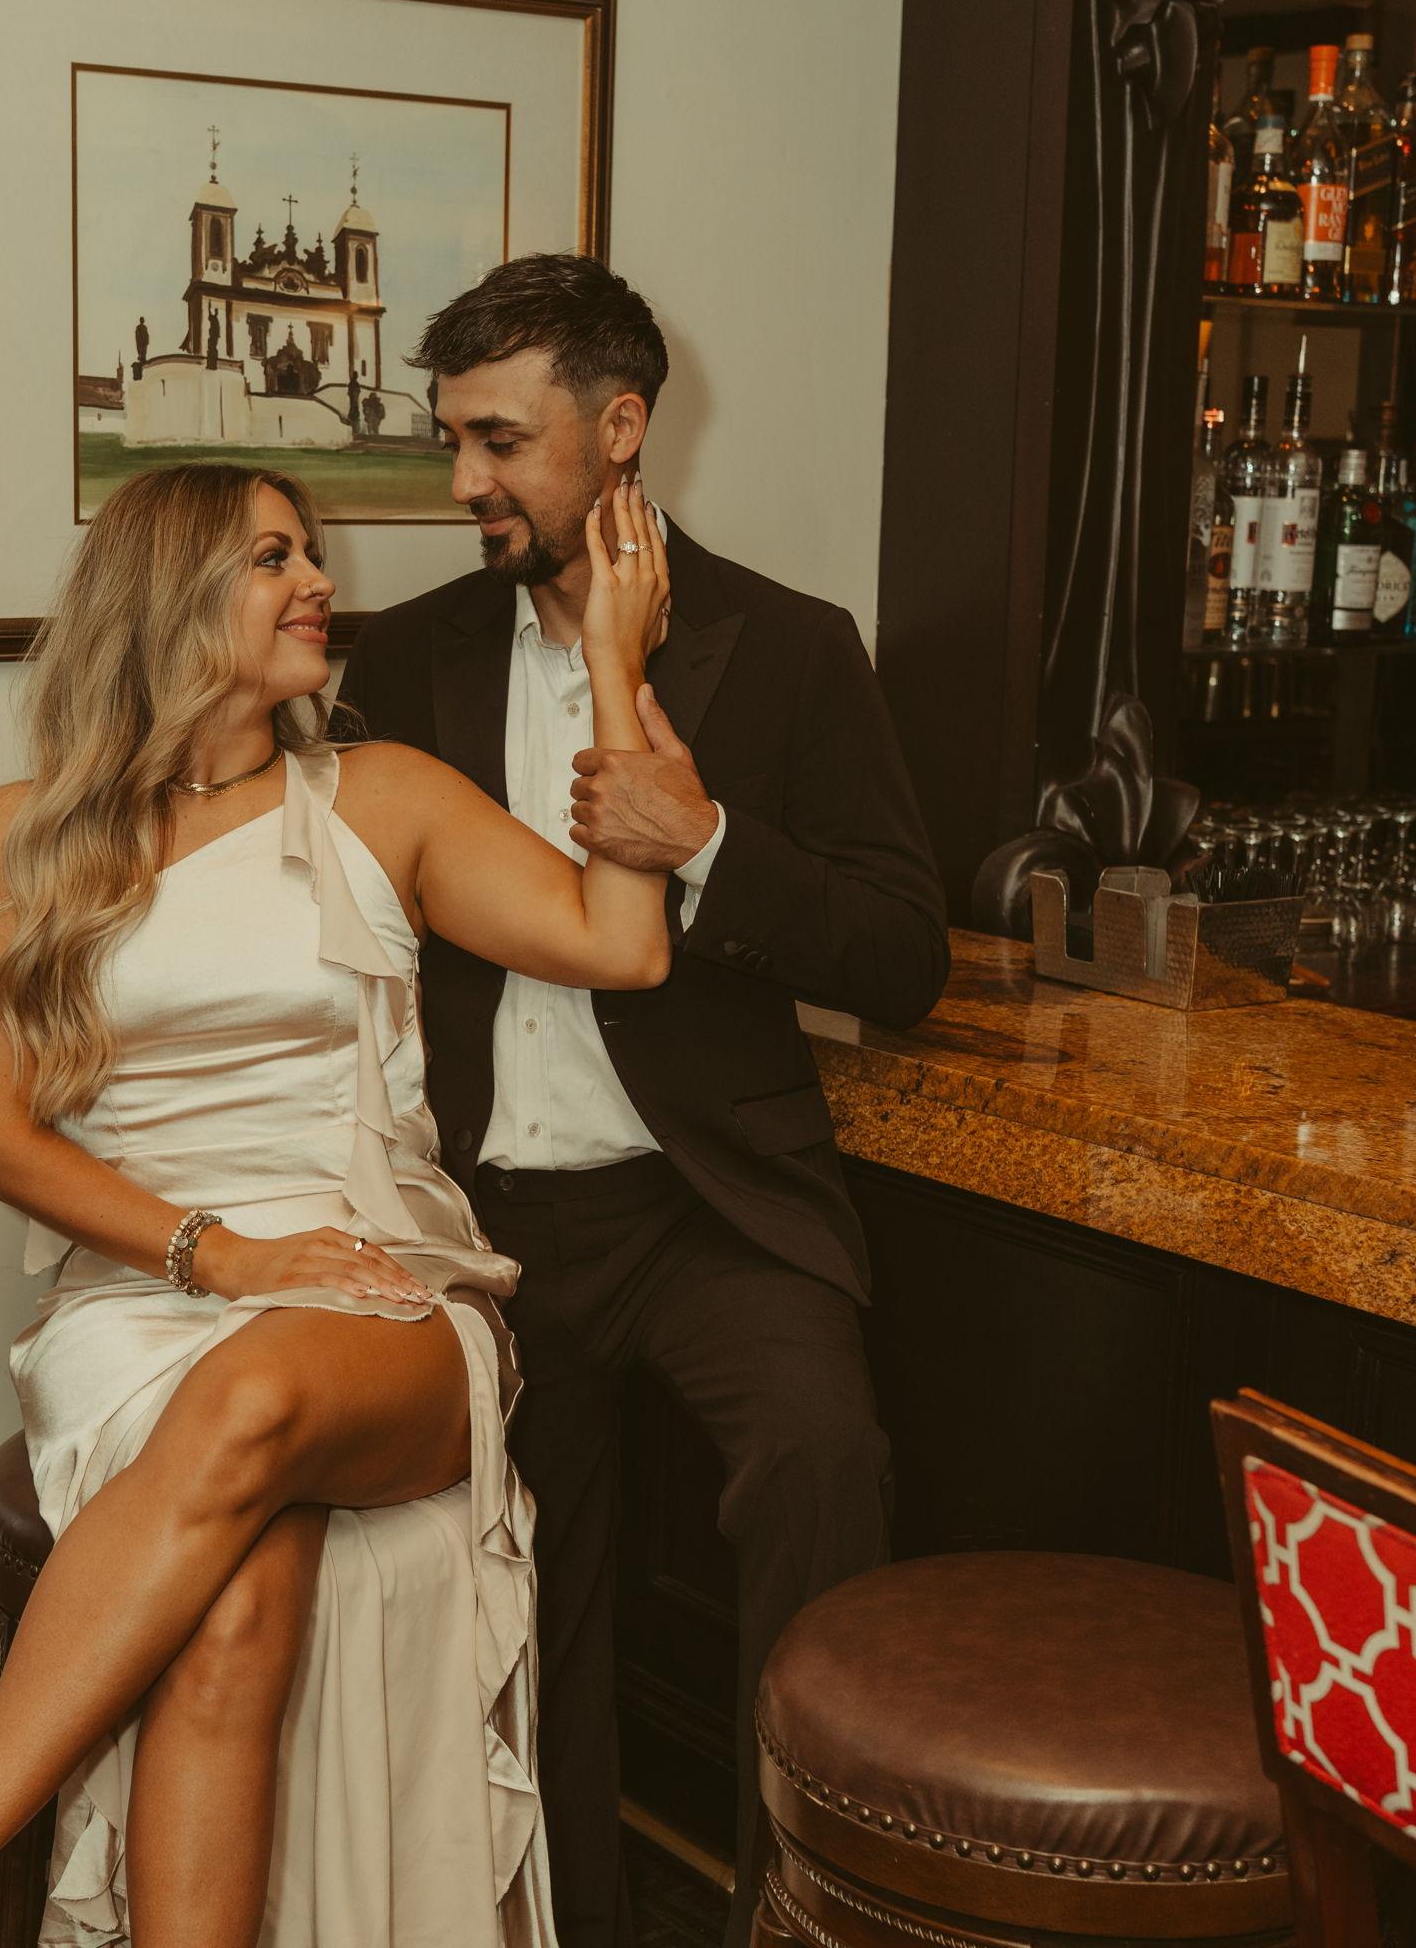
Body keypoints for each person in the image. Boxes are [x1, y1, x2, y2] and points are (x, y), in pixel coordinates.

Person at [0, 460, 675, 1948]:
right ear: (169, 597)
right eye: (275, 558)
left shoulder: (384, 796)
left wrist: (615, 665)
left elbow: (625, 944)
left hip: (370, 1282)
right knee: (230, 1609)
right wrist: (216, 1256)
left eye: (311, 553)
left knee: (257, 1394)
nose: (320, 585)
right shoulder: (18, 834)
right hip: (141, 1295)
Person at [336, 253, 949, 1948]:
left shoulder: (795, 647)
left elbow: (904, 953)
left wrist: (712, 845)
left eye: (499, 442)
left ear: (621, 430)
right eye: (454, 440)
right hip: (488, 1221)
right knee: (535, 1593)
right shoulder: (407, 656)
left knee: (824, 1460)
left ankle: (799, 1913)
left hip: (711, 1206)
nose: (463, 483)